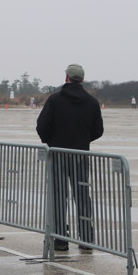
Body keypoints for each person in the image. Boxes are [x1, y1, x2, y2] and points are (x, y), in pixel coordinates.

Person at [36, 63, 104, 252]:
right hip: (80, 155)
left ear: (67, 78)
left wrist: (51, 141)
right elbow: (98, 130)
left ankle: (60, 239)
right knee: (82, 196)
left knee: (59, 196)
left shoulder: (54, 100)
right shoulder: (92, 102)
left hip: (58, 154)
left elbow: (42, 126)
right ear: (81, 79)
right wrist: (83, 140)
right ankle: (87, 238)